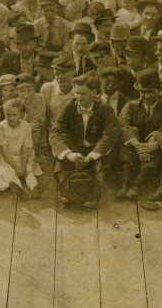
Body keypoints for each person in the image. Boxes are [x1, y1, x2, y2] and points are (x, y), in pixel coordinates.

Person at [50, 74, 120, 208]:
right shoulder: (69, 105)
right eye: (76, 93)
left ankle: (94, 194)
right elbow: (56, 131)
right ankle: (66, 191)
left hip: (95, 148)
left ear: (94, 93)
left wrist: (92, 156)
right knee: (60, 155)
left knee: (103, 160)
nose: (79, 98)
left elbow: (109, 135)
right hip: (75, 148)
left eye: (83, 94)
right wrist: (69, 154)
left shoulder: (105, 109)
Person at [118, 68, 162, 199]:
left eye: (151, 92)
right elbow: (122, 125)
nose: (147, 96)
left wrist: (154, 145)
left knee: (160, 135)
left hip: (158, 149)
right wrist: (139, 146)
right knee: (129, 134)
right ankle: (125, 184)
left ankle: (138, 184)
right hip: (136, 148)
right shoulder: (131, 106)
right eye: (143, 92)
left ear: (159, 90)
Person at [0, 99, 43, 196]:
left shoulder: (26, 126)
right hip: (7, 158)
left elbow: (26, 148)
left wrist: (22, 166)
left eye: (15, 115)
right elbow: (4, 149)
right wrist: (16, 167)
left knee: (28, 171)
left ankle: (34, 188)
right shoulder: (1, 127)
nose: (11, 118)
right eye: (8, 115)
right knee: (10, 173)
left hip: (23, 155)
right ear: (4, 114)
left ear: (21, 115)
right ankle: (20, 190)